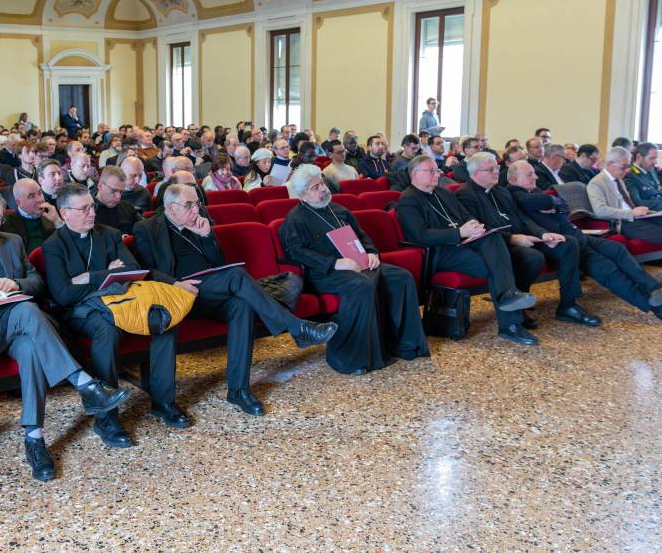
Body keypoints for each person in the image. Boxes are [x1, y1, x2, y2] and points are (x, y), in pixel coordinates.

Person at [0, 188, 129, 481]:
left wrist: (17, 284)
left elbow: (37, 282)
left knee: (31, 344)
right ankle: (85, 384)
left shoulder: (12, 242)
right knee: (26, 312)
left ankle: (34, 438)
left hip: (15, 326)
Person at [131, 183, 337, 414]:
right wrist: (176, 284)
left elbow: (218, 263)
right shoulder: (147, 228)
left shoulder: (199, 223)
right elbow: (145, 269)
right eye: (189, 205)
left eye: (197, 204)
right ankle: (297, 328)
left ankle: (238, 390)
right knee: (237, 276)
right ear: (170, 207)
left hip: (207, 292)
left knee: (241, 306)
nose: (195, 211)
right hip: (174, 294)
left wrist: (207, 236)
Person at [41, 183, 184, 444]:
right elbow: (63, 294)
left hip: (123, 302)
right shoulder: (53, 246)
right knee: (105, 330)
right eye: (83, 209)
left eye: (92, 207)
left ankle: (163, 401)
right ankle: (107, 419)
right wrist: (110, 273)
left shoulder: (107, 234)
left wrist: (90, 277)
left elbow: (132, 269)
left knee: (164, 320)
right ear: (64, 213)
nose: (91, 213)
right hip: (81, 313)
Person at [281, 166, 426, 374]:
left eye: (322, 183)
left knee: (401, 277)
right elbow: (296, 252)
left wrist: (372, 253)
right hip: (324, 273)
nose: (323, 189)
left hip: (359, 264)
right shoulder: (295, 219)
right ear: (302, 194)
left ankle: (403, 344)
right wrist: (334, 263)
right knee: (362, 285)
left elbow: (362, 235)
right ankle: (356, 358)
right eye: (315, 187)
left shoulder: (339, 209)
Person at [507, 161, 662, 322]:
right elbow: (543, 200)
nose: (536, 177)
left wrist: (555, 203)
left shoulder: (534, 191)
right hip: (562, 243)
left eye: (534, 173)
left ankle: (655, 290)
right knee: (606, 268)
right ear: (514, 178)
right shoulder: (513, 194)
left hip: (579, 236)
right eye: (530, 174)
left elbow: (563, 204)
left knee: (616, 249)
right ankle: (654, 306)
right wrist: (553, 202)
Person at [396, 155, 539, 345]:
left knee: (493, 237)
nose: (437, 174)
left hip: (465, 242)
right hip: (441, 252)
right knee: (493, 265)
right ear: (415, 174)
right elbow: (420, 235)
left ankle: (509, 306)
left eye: (436, 170)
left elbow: (467, 217)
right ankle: (510, 323)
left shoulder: (444, 193)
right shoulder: (408, 200)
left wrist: (475, 228)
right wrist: (459, 232)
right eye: (430, 171)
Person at [457, 153, 600, 329]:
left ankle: (568, 305)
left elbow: (522, 218)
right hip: (499, 245)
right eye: (491, 169)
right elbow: (479, 231)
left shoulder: (500, 191)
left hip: (525, 237)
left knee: (568, 243)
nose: (497, 172)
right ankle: (518, 307)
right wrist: (513, 238)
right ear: (475, 173)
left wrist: (543, 234)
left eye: (497, 168)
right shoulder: (465, 195)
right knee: (532, 257)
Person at [587, 147, 662, 284]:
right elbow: (600, 210)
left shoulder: (619, 179)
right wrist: (631, 213)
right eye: (624, 167)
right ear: (610, 164)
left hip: (636, 217)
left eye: (628, 166)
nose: (627, 170)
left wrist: (642, 211)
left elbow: (628, 203)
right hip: (623, 222)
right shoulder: (596, 183)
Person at [625, 142, 662, 212]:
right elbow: (638, 203)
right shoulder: (630, 176)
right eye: (652, 158)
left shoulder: (652, 171)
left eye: (656, 158)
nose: (655, 162)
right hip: (648, 215)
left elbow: (660, 192)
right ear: (639, 157)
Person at [4, 178, 58, 252]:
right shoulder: (6, 224)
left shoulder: (51, 212)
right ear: (18, 203)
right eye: (31, 196)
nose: (39, 199)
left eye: (40, 193)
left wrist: (58, 222)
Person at [93, 166, 144, 235]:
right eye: (114, 191)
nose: (118, 197)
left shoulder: (128, 208)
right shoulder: (87, 212)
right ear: (100, 186)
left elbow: (145, 229)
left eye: (121, 192)